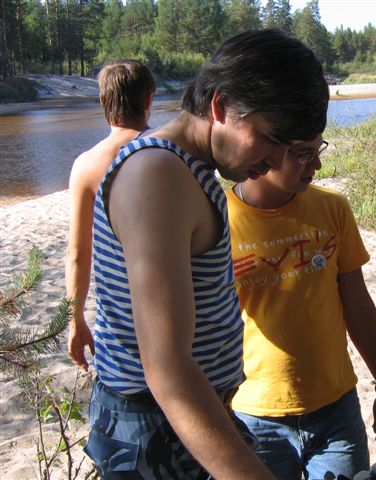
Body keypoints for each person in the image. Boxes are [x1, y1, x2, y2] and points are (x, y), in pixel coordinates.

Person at [84, 30, 328, 479]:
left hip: (189, 416)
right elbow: (167, 367)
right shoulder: (158, 173)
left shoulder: (187, 168)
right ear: (221, 105)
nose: (277, 162)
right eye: (271, 138)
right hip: (156, 426)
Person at [226, 135, 376, 480]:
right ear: (264, 150)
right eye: (303, 154)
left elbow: (358, 305)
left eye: (318, 150)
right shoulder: (219, 220)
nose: (317, 164)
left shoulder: (332, 207)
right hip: (252, 416)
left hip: (336, 411)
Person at [65, 59, 155, 372]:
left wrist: (75, 320)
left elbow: (78, 253)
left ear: (103, 101)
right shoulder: (171, 153)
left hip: (120, 330)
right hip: (179, 313)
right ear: (149, 99)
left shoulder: (87, 165)